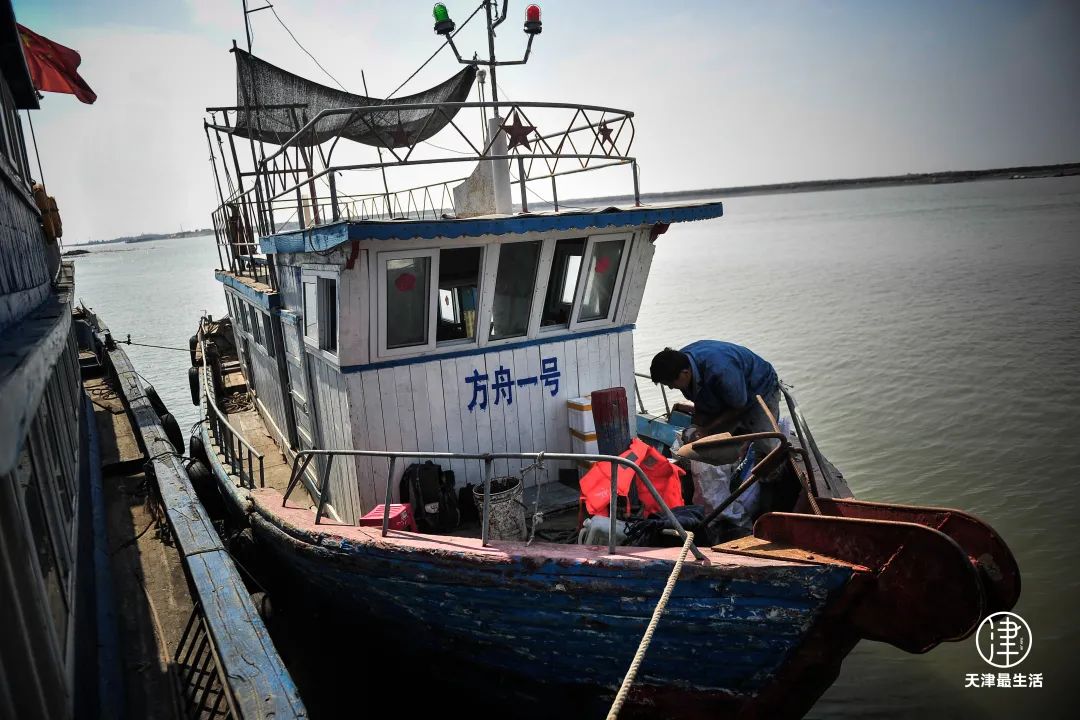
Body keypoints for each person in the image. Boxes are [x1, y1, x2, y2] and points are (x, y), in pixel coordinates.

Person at [649, 340, 781, 462]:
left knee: (768, 445)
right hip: (726, 391)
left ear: (685, 372)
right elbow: (698, 399)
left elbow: (739, 406)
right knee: (707, 440)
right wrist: (696, 427)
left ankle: (776, 471)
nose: (671, 388)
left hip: (759, 389)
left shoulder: (721, 369)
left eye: (671, 384)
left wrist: (707, 428)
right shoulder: (679, 363)